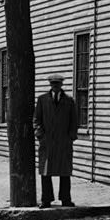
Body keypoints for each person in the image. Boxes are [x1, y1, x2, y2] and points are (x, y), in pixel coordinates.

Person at [33, 73, 79, 207]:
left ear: (61, 85)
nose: (55, 87)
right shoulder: (42, 100)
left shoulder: (69, 101)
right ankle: (46, 200)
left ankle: (66, 199)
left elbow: (74, 121)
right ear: (50, 85)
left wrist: (71, 136)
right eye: (53, 84)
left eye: (58, 84)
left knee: (65, 171)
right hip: (47, 141)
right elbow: (36, 119)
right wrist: (40, 135)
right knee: (46, 171)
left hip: (64, 140)